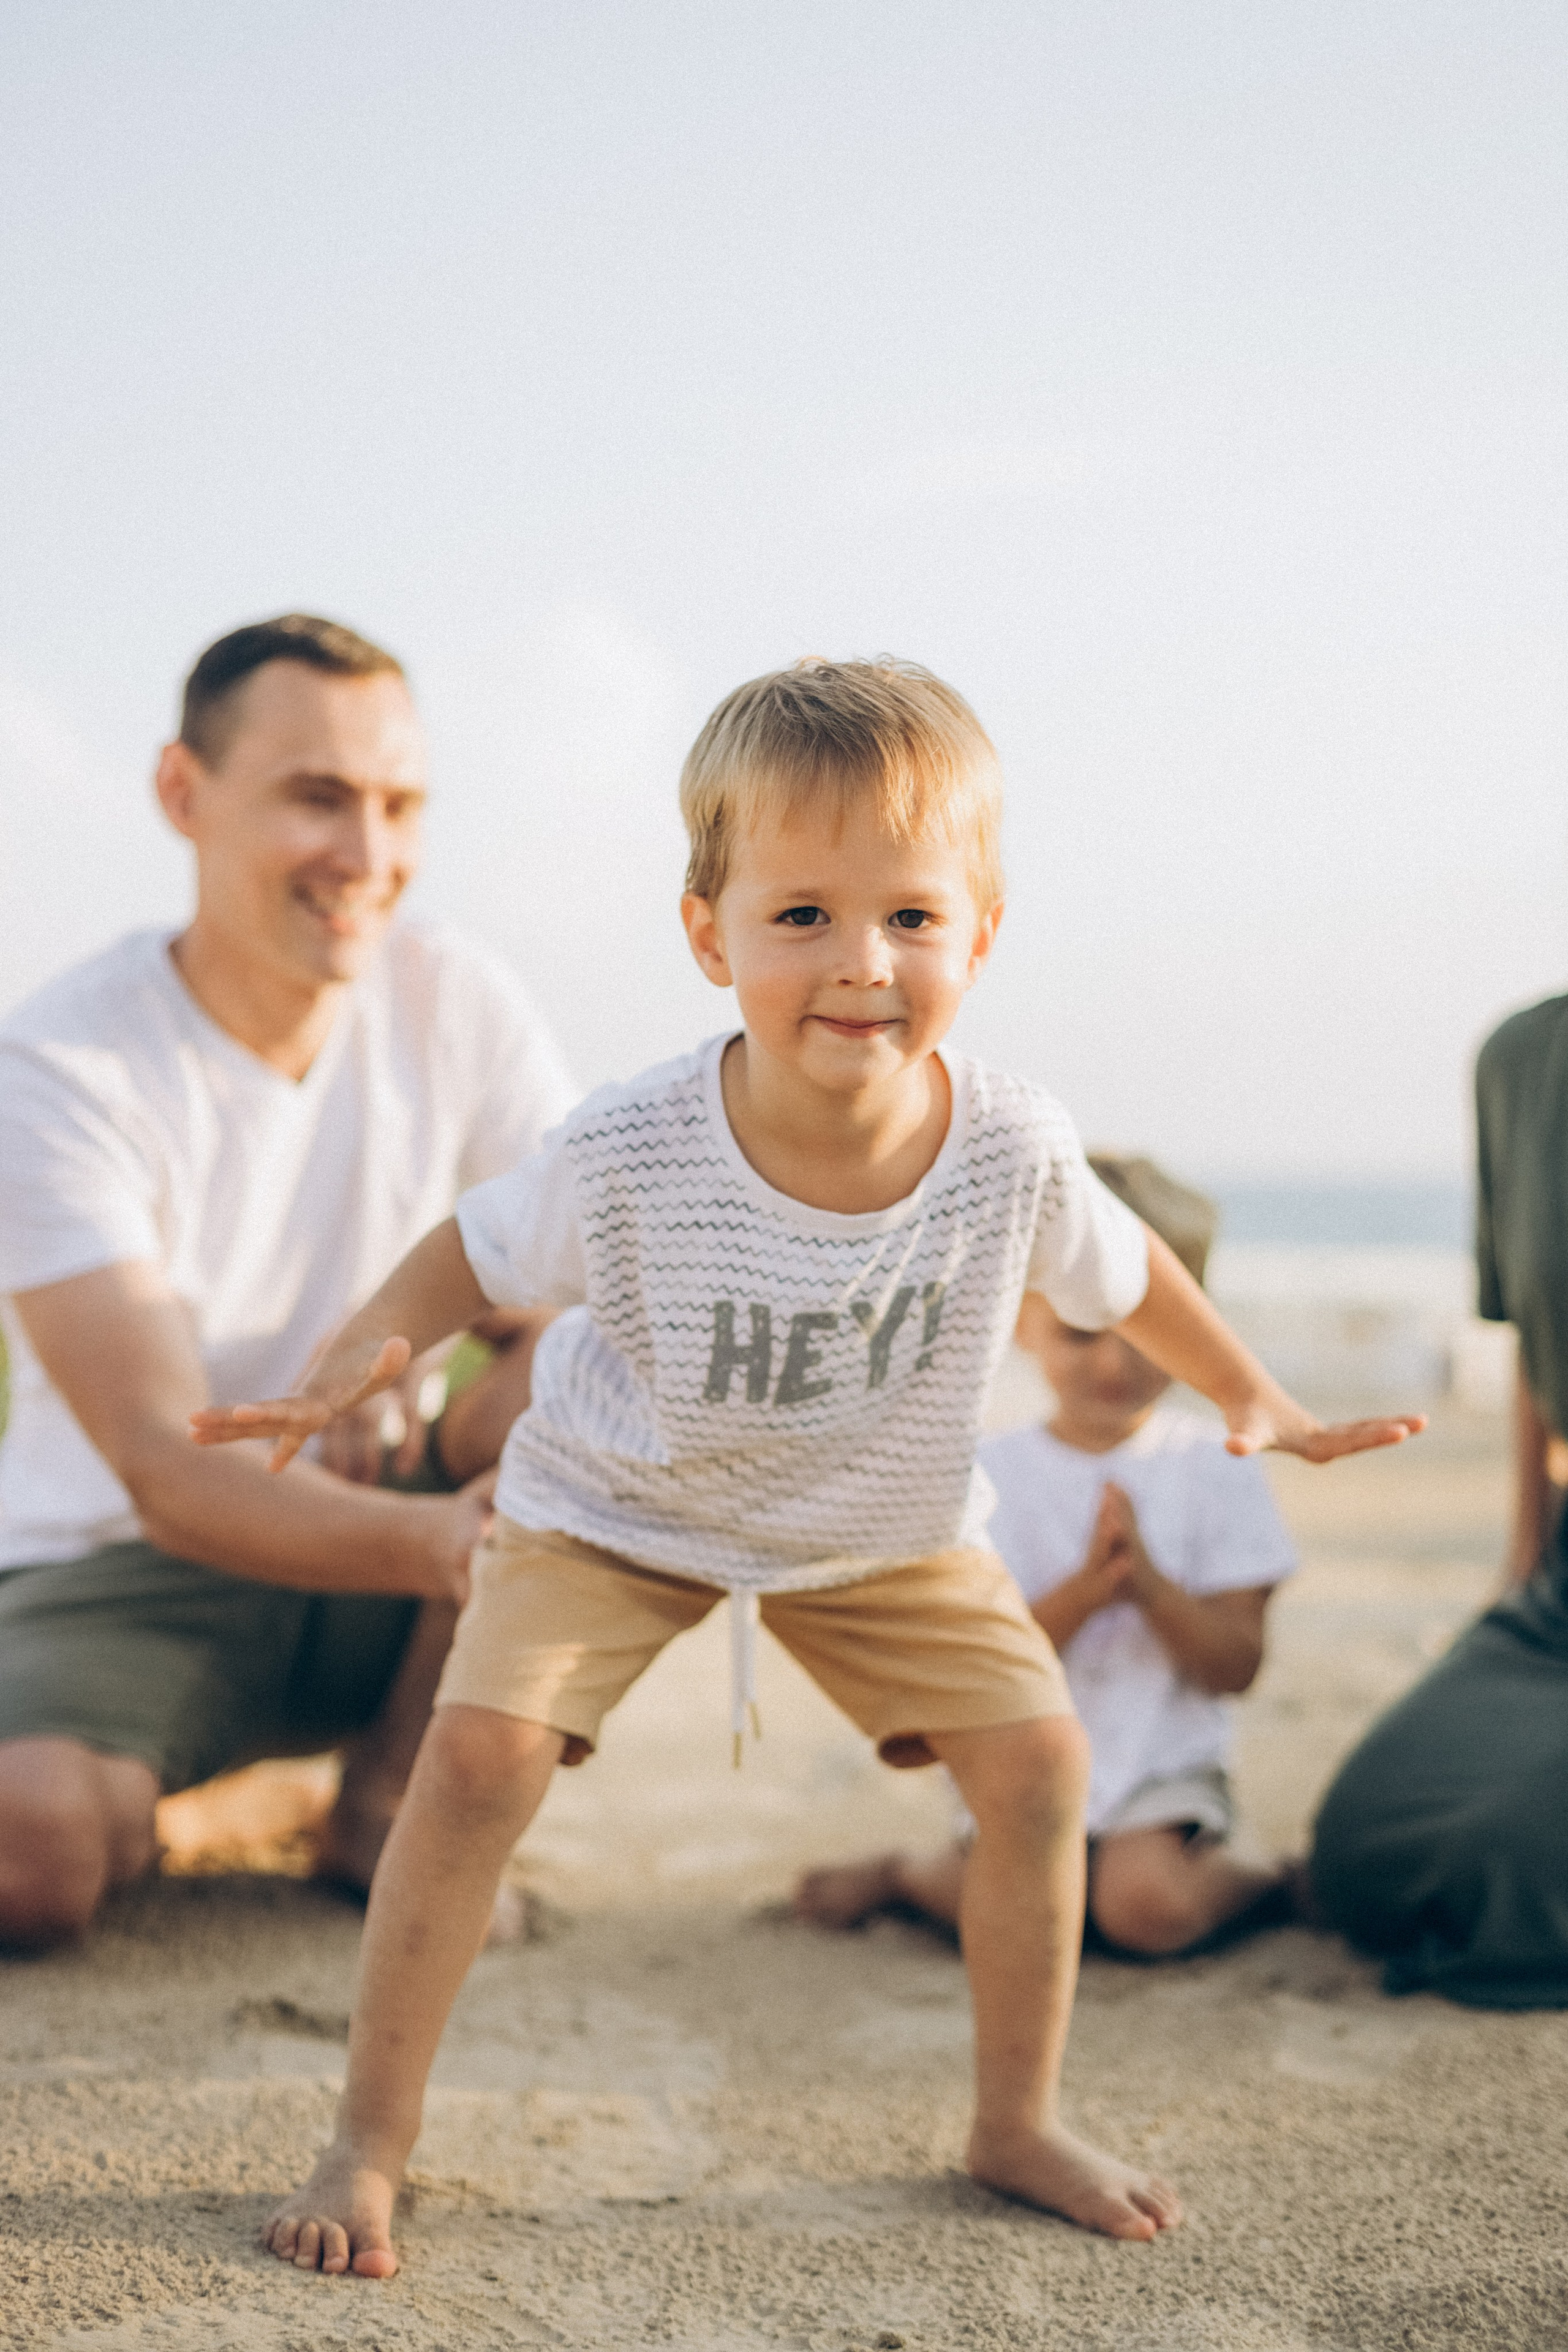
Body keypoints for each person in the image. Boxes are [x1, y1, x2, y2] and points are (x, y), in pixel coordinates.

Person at [193, 658, 1422, 2274]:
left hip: (882, 1525)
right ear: (711, 934)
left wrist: (1257, 1394)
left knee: (1042, 1770)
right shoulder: (635, 1144)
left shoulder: (1011, 1144)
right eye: (802, 919)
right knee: (479, 1758)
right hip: (619, 1506)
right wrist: (373, 1343)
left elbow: (1130, 1278)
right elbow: (473, 1251)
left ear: (981, 929)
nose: (863, 964)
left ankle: (1012, 2117)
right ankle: (369, 2140)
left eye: (913, 917)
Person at [0, 613, 575, 1947]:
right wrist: (454, 1546)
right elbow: (163, 1461)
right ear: (181, 795)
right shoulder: (62, 1072)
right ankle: (197, 1804)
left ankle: (386, 1813)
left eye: (397, 804)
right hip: (134, 1565)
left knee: (593, 1369)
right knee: (29, 1859)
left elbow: (590, 1285)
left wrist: (414, 1350)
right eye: (318, 798)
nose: (368, 858)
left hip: (387, 1556)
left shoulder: (456, 1000)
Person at [796, 1156, 1298, 1956]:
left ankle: (1270, 1878)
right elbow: (969, 1671)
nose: (1114, 1362)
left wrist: (1155, 1591)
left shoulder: (1221, 1466)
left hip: (1159, 1772)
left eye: (1145, 1332)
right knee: (1001, 1913)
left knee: (1143, 1909)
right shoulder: (983, 1476)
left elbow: (1234, 1669)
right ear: (1016, 1320)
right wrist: (1089, 1591)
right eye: (1080, 1332)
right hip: (1016, 1768)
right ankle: (903, 1872)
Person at [1310, 997, 1568, 2008]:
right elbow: (1533, 1363)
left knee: (1511, 1868)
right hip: (1560, 1589)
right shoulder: (1522, 1060)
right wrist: (1518, 1571)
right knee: (1366, 1855)